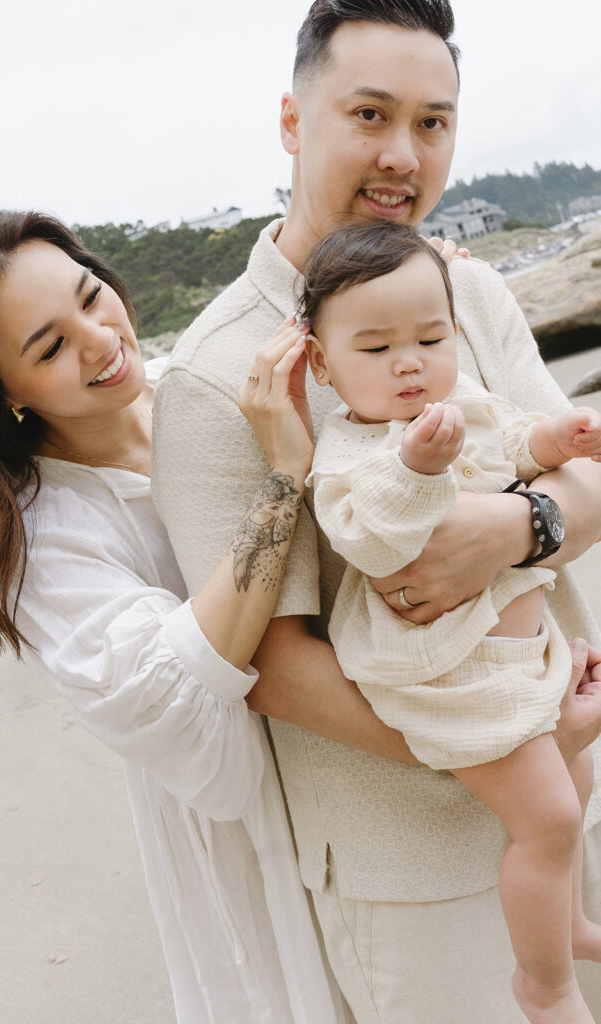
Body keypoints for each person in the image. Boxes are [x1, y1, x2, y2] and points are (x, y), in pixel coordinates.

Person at [152, 1, 601, 1020]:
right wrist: (508, 742)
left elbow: (583, 477)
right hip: (412, 862)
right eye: (369, 113)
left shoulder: (461, 288)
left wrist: (514, 526)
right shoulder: (220, 373)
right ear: (291, 119)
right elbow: (265, 662)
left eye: (432, 122)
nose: (403, 153)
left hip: (566, 776)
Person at [0, 209, 360, 1023]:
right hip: (252, 818)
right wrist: (281, 479)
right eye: (48, 347)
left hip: (347, 736)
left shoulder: (194, 388)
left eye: (92, 297)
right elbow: (174, 688)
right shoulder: (44, 537)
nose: (97, 339)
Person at [303, 220, 601, 1023]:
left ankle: (565, 920)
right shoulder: (349, 452)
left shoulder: (457, 400)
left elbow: (507, 443)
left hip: (512, 656)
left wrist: (551, 438)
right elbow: (370, 534)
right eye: (374, 349)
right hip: (451, 677)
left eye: (430, 337)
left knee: (575, 781)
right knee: (545, 819)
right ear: (321, 363)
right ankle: (543, 988)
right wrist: (415, 469)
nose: (408, 362)